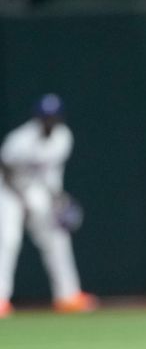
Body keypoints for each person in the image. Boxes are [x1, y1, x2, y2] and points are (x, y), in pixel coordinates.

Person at [0, 94, 97, 317]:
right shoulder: (21, 139)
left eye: (53, 117)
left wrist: (58, 199)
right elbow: (5, 168)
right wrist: (21, 198)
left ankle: (68, 296)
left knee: (57, 238)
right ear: (38, 117)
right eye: (46, 117)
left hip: (38, 191)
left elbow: (52, 175)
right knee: (7, 240)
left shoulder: (64, 138)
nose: (49, 121)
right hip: (9, 191)